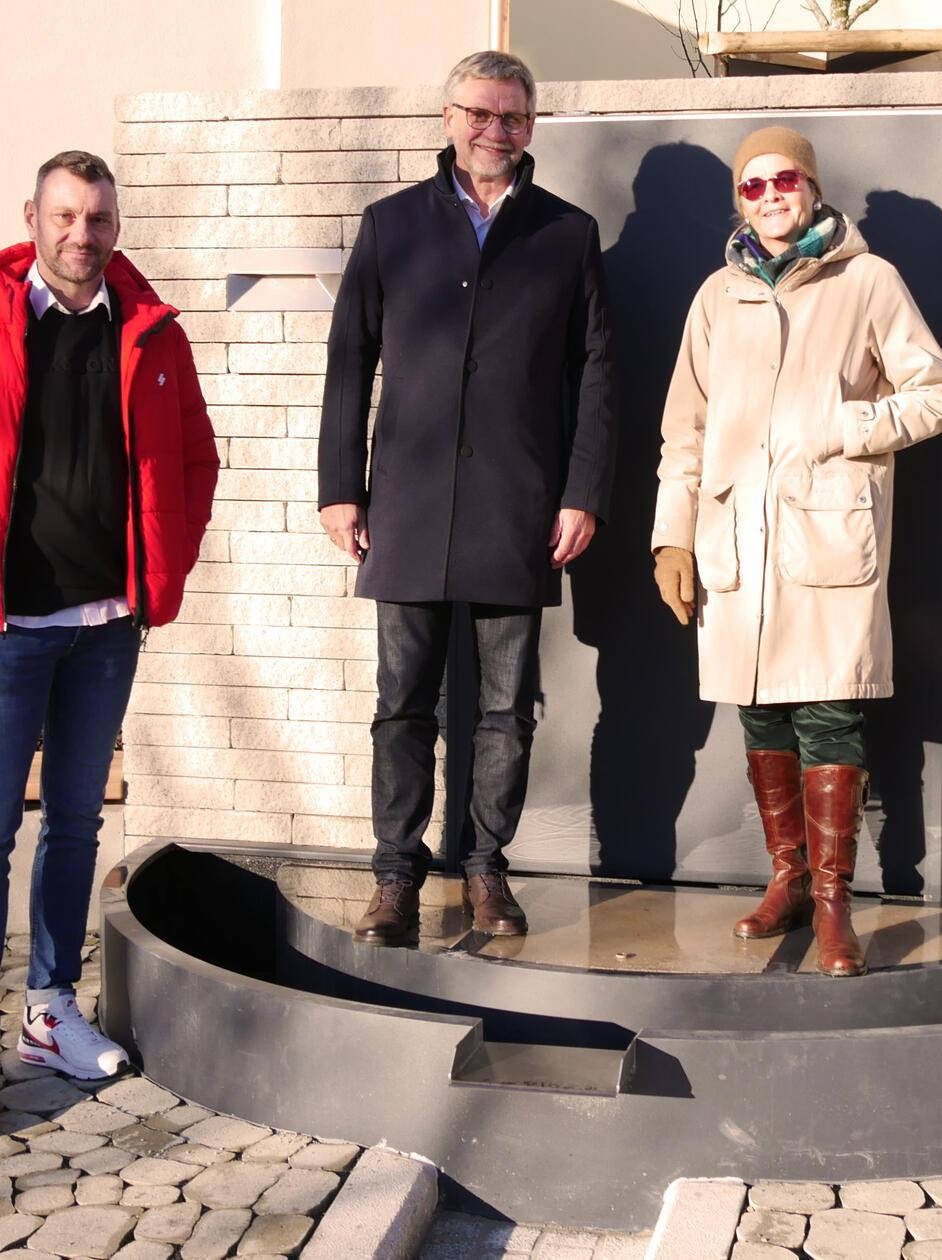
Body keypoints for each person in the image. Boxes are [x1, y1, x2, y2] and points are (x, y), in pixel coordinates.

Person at [0, 150, 220, 1140]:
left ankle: (51, 1012)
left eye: (98, 218)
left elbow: (195, 455)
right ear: (33, 217)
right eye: (65, 216)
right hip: (3, 633)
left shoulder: (149, 333)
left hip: (104, 630)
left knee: (74, 827)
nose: (82, 234)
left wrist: (165, 568)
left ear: (115, 226)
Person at [318, 50, 616, 946]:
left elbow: (597, 372)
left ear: (532, 126)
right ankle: (394, 876)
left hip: (518, 504)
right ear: (447, 118)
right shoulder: (391, 225)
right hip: (405, 502)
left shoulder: (568, 233)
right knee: (401, 701)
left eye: (514, 118)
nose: (496, 132)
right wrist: (341, 488)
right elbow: (347, 362)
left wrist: (582, 492)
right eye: (480, 115)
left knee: (505, 708)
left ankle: (487, 866)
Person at [651, 125, 942, 977]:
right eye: (753, 186)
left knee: (829, 714)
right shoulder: (718, 295)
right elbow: (686, 427)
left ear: (814, 187)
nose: (771, 195)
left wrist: (847, 426)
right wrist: (670, 535)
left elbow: (935, 395)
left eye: (785, 179)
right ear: (738, 201)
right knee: (759, 712)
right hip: (735, 543)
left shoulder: (868, 281)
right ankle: (786, 879)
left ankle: (834, 907)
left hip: (826, 535)